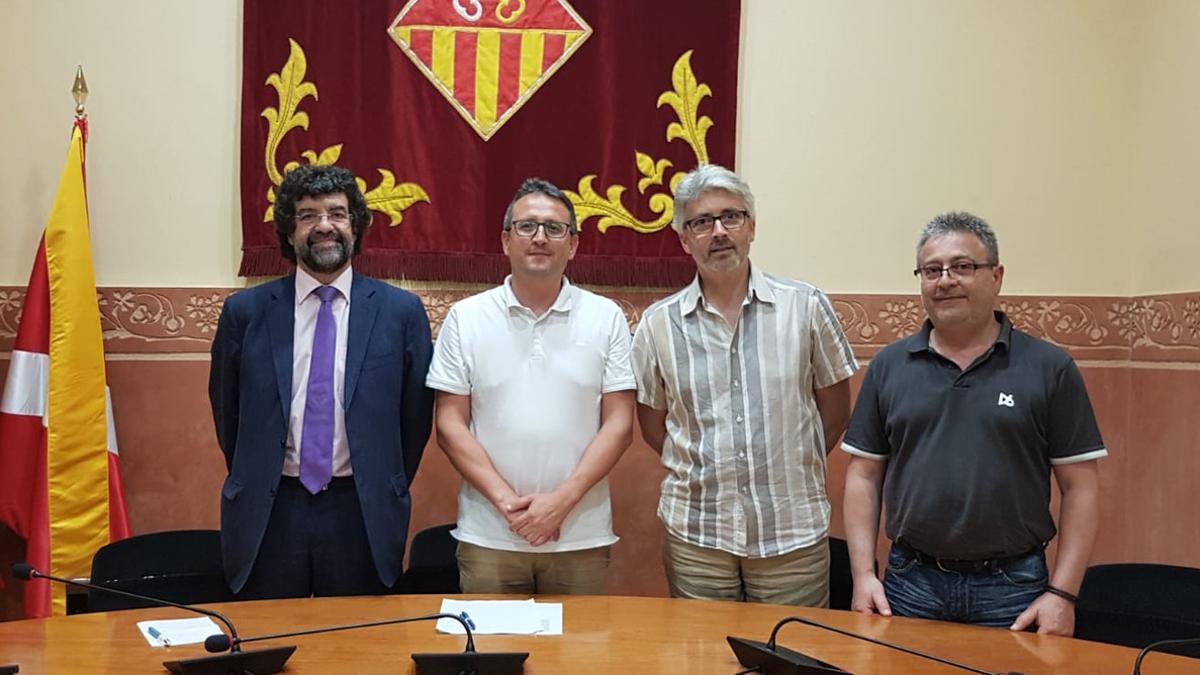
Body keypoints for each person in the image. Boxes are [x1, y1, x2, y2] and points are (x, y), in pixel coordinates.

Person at [842, 211, 1106, 635]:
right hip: (910, 585)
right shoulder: (889, 366)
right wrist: (863, 575)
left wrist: (1062, 595)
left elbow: (1082, 487)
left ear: (996, 276)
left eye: (963, 267)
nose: (945, 280)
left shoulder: (1049, 367)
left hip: (1013, 589)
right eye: (932, 270)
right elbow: (864, 475)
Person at [632, 164, 857, 606]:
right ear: (683, 238)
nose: (718, 232)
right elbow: (654, 425)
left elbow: (834, 412)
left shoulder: (805, 307)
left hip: (791, 534)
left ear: (751, 227)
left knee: (795, 656)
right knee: (702, 663)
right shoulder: (658, 325)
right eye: (701, 222)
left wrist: (785, 464)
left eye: (731, 217)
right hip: (697, 536)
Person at [209, 164, 434, 598]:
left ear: (356, 225)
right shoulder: (246, 312)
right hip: (271, 508)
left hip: (361, 509)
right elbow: (228, 413)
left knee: (359, 646)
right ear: (289, 231)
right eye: (308, 215)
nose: (324, 226)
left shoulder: (400, 312)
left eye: (337, 213)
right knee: (269, 643)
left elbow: (414, 420)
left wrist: (382, 478)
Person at [426, 177, 635, 594]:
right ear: (505, 240)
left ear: (573, 244)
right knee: (490, 656)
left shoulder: (606, 316)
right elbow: (449, 423)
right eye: (527, 226)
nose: (540, 237)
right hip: (490, 534)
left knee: (579, 659)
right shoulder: (466, 318)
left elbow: (620, 424)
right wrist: (509, 504)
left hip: (580, 534)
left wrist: (560, 504)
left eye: (554, 228)